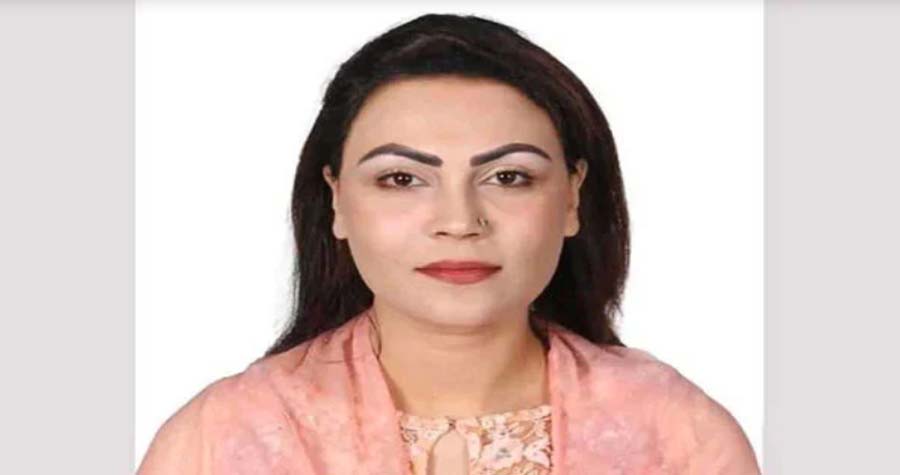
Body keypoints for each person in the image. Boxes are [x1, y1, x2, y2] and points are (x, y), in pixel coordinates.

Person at [138, 13, 760, 475]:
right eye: (401, 179)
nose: (459, 222)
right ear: (336, 202)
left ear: (572, 198)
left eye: (508, 177)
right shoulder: (220, 440)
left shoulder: (680, 437)